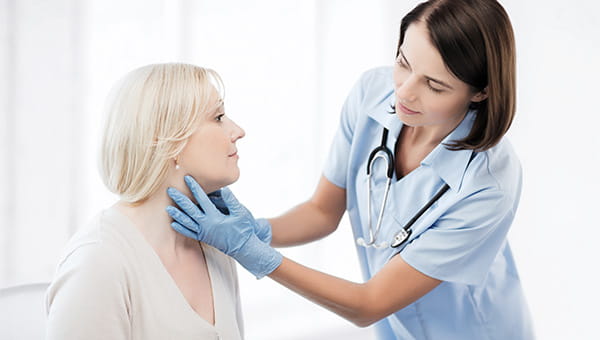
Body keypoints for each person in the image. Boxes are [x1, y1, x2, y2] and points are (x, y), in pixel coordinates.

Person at [167, 0, 535, 339]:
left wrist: (252, 252)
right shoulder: (371, 95)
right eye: (404, 62)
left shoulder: (489, 184)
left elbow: (368, 305)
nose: (405, 93)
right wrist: (258, 229)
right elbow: (323, 212)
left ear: (481, 92)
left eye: (435, 86)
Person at [45, 63, 247, 339]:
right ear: (167, 142)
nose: (238, 131)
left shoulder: (216, 248)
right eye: (219, 117)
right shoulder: (98, 263)